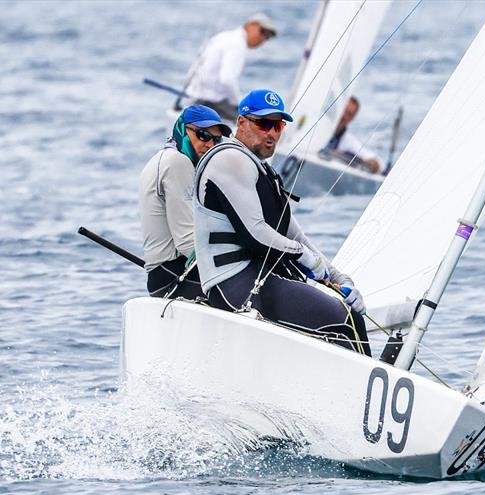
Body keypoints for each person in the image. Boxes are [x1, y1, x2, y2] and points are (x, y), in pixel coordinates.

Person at [193, 89, 370, 355]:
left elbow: (294, 235)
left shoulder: (261, 169)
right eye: (264, 123)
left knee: (347, 316)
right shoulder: (230, 159)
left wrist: (337, 275)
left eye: (278, 125)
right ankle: (361, 391)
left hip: (258, 279)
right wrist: (306, 260)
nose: (272, 133)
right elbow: (256, 234)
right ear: (241, 122)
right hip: (234, 284)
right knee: (343, 320)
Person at [139, 104, 232, 299]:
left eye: (216, 139)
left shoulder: (160, 158)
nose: (209, 144)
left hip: (161, 275)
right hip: (174, 276)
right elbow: (187, 240)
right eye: (203, 135)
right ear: (182, 130)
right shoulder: (177, 163)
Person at [181, 13, 277, 121]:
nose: (263, 39)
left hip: (192, 98)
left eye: (267, 37)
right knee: (256, 122)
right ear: (251, 25)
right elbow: (227, 80)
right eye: (263, 32)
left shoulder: (225, 36)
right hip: (209, 104)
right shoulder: (238, 44)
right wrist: (240, 104)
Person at [323, 96, 383, 174]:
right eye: (343, 110)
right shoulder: (316, 125)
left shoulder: (349, 141)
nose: (344, 116)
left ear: (352, 118)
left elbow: (377, 162)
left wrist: (373, 164)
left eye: (349, 114)